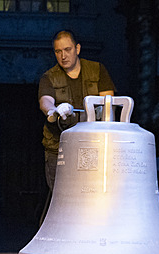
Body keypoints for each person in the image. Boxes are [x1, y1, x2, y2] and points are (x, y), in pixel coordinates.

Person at [38, 30, 116, 191]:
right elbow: (45, 101)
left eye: (67, 50)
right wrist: (54, 112)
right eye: (58, 51)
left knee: (90, 194)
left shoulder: (97, 69)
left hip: (93, 145)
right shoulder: (49, 77)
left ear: (77, 49)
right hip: (59, 148)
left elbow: (109, 101)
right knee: (60, 197)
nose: (63, 56)